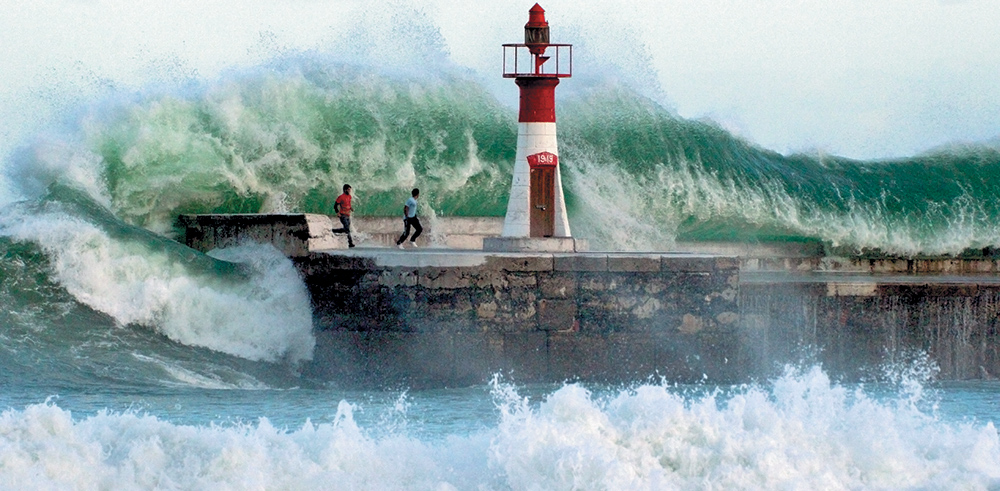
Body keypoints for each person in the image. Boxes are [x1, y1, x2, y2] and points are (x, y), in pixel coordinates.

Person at [332, 184, 355, 248]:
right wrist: (337, 213)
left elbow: (348, 203)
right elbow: (335, 206)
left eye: (350, 189)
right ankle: (350, 243)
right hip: (342, 215)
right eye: (348, 189)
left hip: (348, 215)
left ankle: (333, 231)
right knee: (347, 229)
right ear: (345, 190)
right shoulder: (341, 197)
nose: (350, 191)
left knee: (346, 229)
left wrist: (350, 208)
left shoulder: (349, 196)